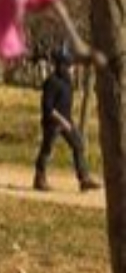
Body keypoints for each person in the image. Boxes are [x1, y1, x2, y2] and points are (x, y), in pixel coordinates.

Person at [35, 51, 101, 192]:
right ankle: (39, 179)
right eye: (69, 66)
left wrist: (68, 120)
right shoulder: (51, 82)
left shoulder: (67, 82)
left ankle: (84, 179)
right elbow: (47, 107)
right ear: (61, 66)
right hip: (52, 122)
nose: (72, 69)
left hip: (66, 120)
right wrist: (61, 120)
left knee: (78, 144)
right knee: (47, 149)